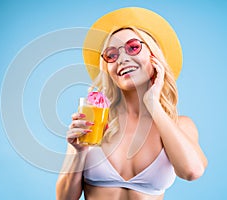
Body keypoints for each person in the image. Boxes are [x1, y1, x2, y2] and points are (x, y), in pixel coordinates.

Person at [56, 7, 207, 200]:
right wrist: (79, 152)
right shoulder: (93, 121)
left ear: (154, 56)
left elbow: (192, 172)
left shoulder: (180, 125)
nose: (123, 59)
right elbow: (64, 198)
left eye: (133, 47)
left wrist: (153, 104)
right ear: (107, 68)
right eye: (111, 55)